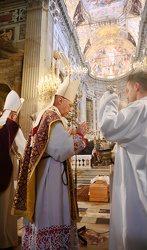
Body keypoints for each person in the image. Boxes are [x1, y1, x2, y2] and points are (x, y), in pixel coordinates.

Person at [12, 76, 88, 249]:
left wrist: (71, 132)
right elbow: (61, 149)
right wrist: (80, 136)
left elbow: (52, 142)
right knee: (51, 210)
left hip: (45, 171)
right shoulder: (51, 116)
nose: (69, 110)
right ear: (60, 100)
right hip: (50, 176)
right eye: (69, 105)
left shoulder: (44, 115)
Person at [99, 70, 147, 250]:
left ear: (137, 86)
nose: (127, 96)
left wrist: (109, 100)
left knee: (134, 222)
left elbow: (109, 127)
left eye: (127, 90)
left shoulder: (141, 108)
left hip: (137, 183)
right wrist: (122, 105)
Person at [0, 90, 26, 250]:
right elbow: (24, 149)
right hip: (6, 173)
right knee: (6, 206)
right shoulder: (11, 126)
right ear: (13, 114)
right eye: (16, 114)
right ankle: (5, 240)